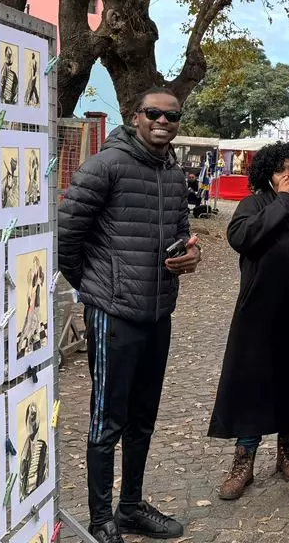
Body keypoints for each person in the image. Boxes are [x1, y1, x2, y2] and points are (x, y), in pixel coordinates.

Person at [58, 88, 200, 543]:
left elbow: (181, 231)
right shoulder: (104, 166)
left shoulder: (173, 174)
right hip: (113, 314)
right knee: (107, 421)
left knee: (142, 418)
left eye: (172, 116)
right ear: (135, 117)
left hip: (158, 312)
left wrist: (190, 255)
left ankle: (131, 507)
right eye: (153, 113)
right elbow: (66, 238)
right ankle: (101, 519)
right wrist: (97, 287)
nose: (163, 121)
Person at [211, 142, 289, 500]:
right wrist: (281, 200)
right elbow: (242, 238)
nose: (288, 175)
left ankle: (287, 452)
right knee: (253, 385)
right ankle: (243, 462)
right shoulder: (255, 204)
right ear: (268, 174)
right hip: (259, 313)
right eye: (280, 170)